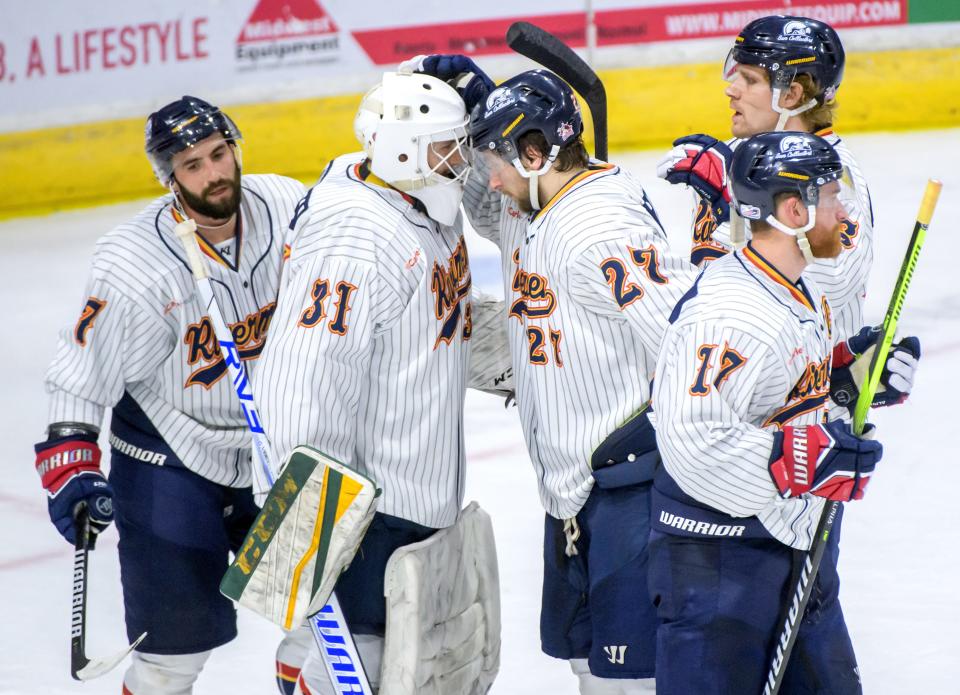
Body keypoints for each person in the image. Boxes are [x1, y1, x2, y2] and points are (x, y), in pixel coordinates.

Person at [411, 55, 699, 692]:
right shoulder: (536, 203)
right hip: (571, 490)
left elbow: (687, 342)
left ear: (536, 154)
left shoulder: (602, 226)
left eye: (494, 158)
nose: (486, 175)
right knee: (586, 666)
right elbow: (495, 209)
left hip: (627, 489)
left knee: (629, 681)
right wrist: (486, 104)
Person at [34, 96, 309, 693]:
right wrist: (73, 467)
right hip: (173, 457)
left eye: (219, 153)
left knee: (324, 620)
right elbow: (81, 371)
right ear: (169, 177)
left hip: (278, 447)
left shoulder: (288, 207)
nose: (214, 174)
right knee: (172, 660)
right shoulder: (134, 264)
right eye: (192, 165)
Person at [254, 70, 499, 695]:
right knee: (355, 668)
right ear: (401, 153)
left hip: (408, 498)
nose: (462, 160)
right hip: (366, 513)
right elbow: (300, 379)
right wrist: (304, 530)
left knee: (402, 667)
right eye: (449, 147)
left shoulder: (415, 199)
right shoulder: (358, 234)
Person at [649, 130, 904, 693]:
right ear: (794, 210)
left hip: (786, 542)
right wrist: (800, 461)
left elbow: (777, 395)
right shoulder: (731, 314)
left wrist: (848, 378)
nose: (844, 211)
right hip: (719, 565)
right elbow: (691, 438)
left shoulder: (788, 286)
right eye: (833, 196)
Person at [658, 15, 873, 343]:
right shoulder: (727, 159)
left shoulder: (834, 176)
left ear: (791, 95)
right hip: (733, 365)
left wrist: (731, 202)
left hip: (810, 380)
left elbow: (829, 287)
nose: (731, 90)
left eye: (749, 79)